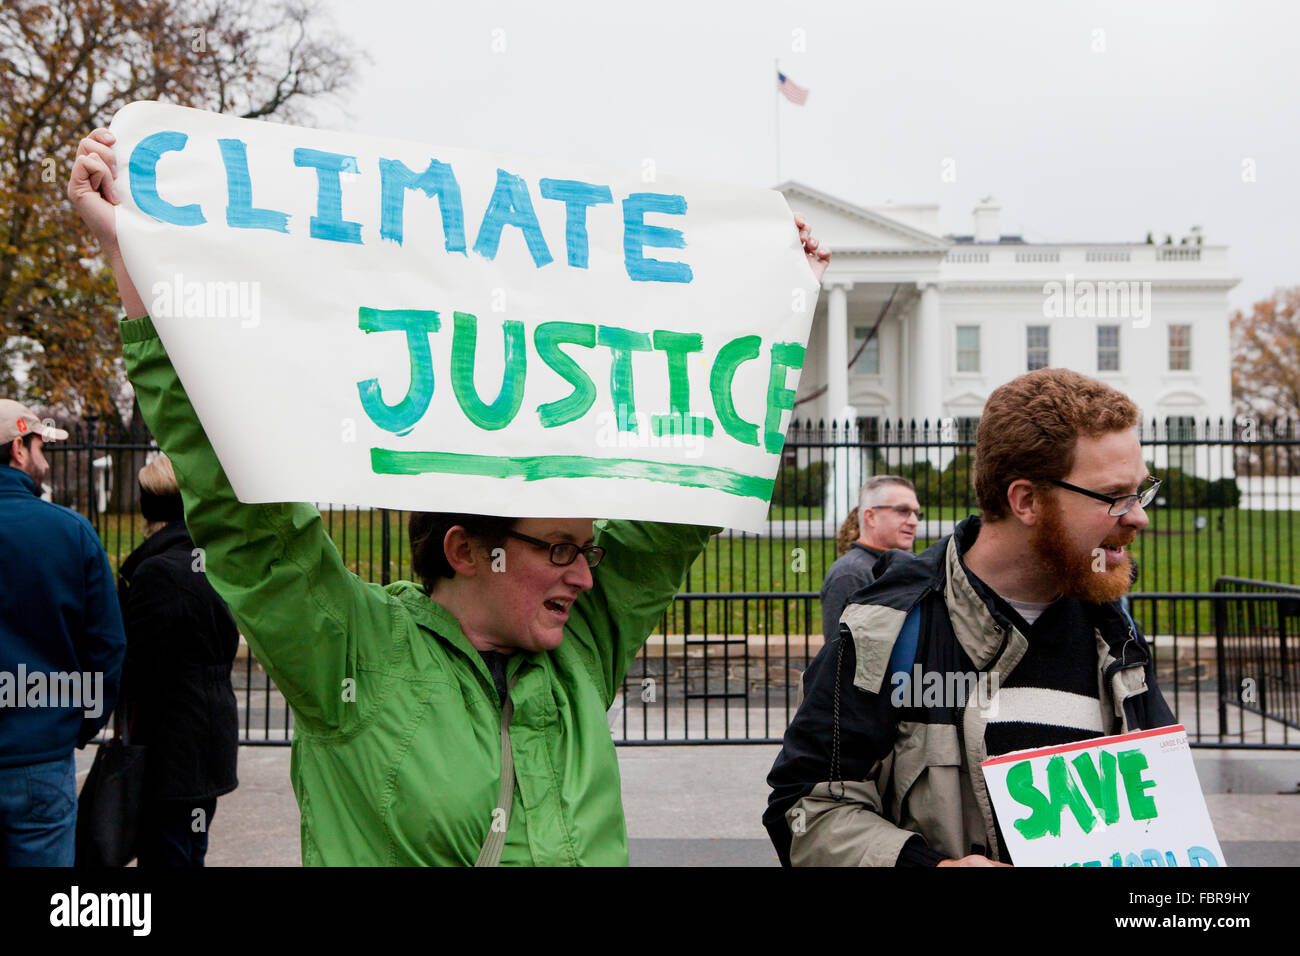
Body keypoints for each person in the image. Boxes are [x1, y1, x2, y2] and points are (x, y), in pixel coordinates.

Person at [70, 127, 831, 865]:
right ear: (467, 550)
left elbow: (674, 514)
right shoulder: (352, 652)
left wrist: (774, 300)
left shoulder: (580, 649)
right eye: (561, 548)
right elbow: (245, 515)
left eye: (589, 549)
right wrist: (132, 253)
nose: (588, 576)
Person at [765, 368, 1175, 867]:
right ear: (1026, 500)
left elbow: (1162, 819)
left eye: (1141, 491)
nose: (1138, 516)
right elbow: (805, 809)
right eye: (1115, 497)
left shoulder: (1116, 635)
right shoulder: (890, 626)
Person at [0, 400, 126, 866]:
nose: (46, 461)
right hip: (40, 751)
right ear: (18, 449)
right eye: (39, 446)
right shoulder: (71, 532)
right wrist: (81, 722)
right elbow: (107, 646)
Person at [117, 452, 239, 867]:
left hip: (170, 750)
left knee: (167, 853)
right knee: (191, 849)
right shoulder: (213, 563)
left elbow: (138, 665)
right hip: (208, 741)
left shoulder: (155, 572)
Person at [819, 475, 919, 645]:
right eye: (903, 511)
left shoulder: (911, 566)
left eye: (916, 513)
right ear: (871, 516)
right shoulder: (850, 574)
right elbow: (840, 657)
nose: (913, 521)